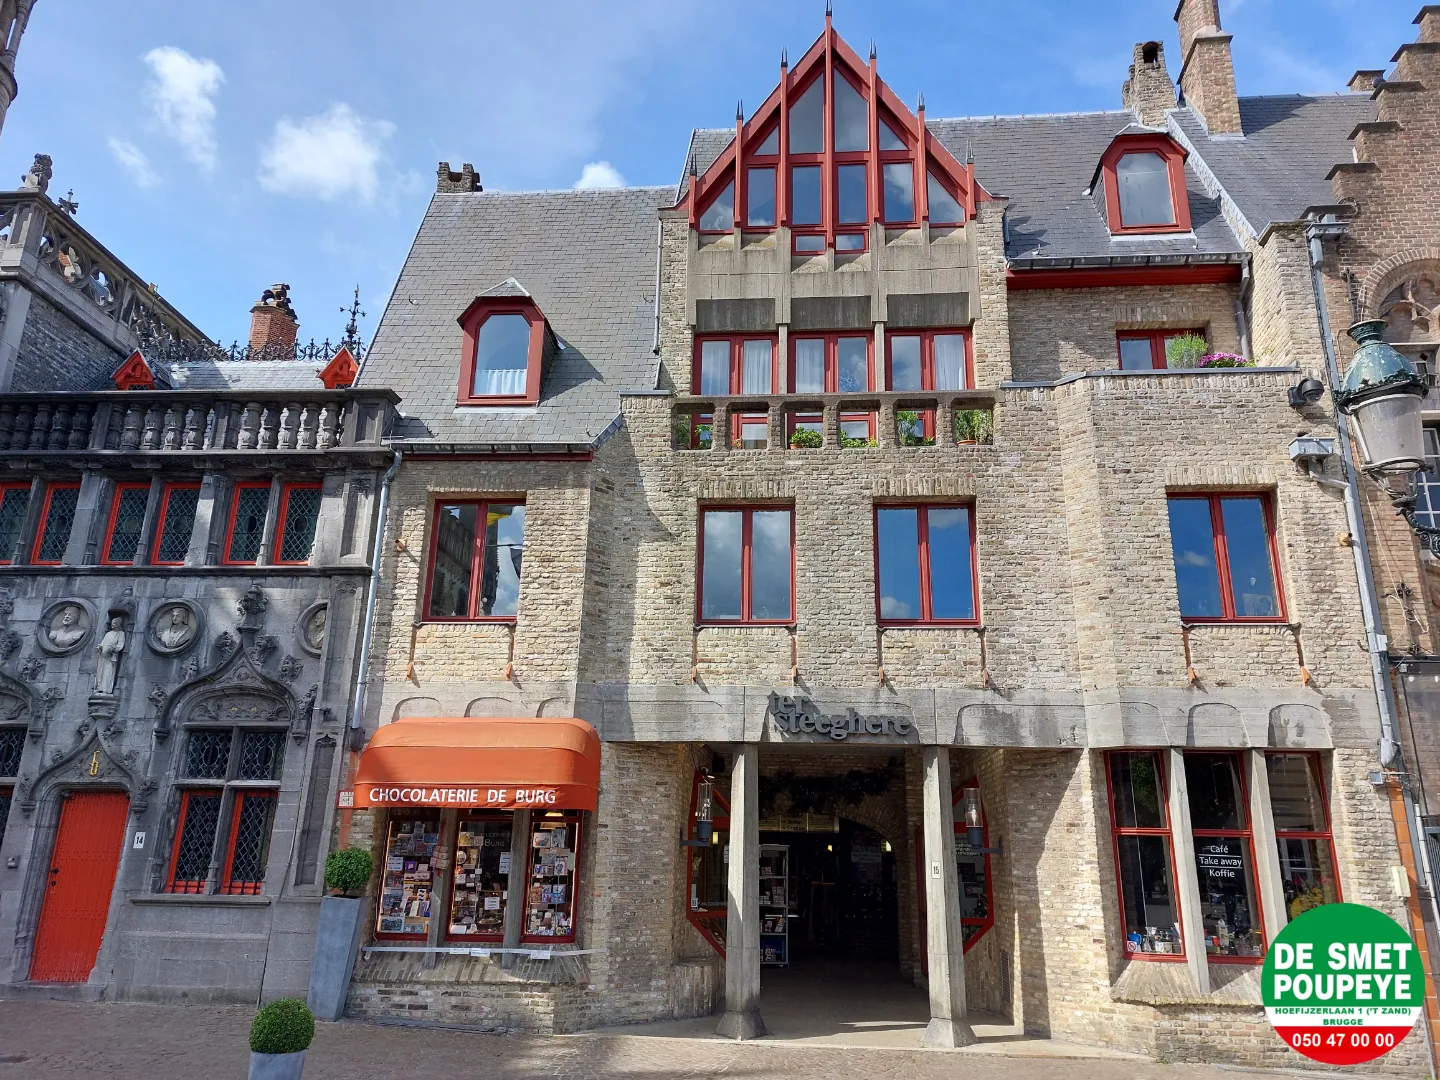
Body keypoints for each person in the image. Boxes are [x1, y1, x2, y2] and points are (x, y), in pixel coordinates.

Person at [94, 616, 125, 695]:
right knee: (100, 672)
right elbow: (103, 643)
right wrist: (100, 647)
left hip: (111, 656)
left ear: (118, 624)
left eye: (115, 623)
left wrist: (113, 648)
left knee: (108, 672)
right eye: (112, 622)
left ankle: (106, 689)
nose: (112, 624)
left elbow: (120, 645)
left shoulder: (121, 633)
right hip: (103, 656)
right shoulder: (108, 634)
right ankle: (99, 688)